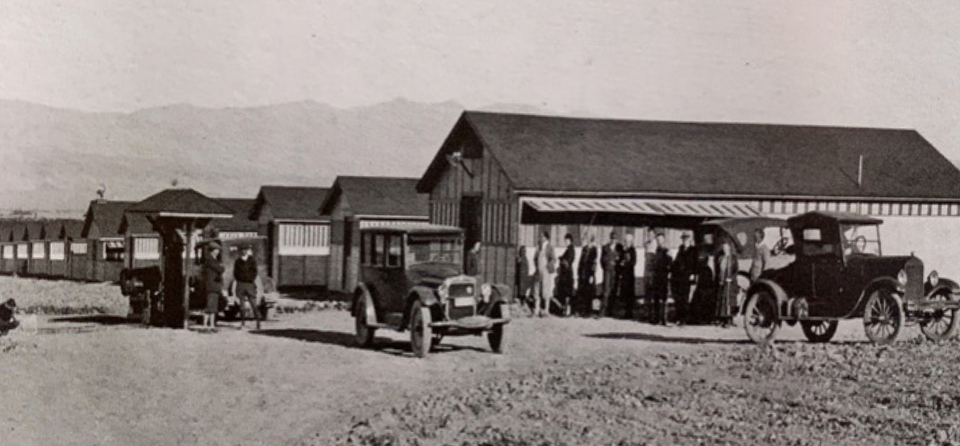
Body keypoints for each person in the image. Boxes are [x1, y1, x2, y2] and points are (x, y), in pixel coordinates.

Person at [670, 232, 697, 325]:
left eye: (686, 239)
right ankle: (678, 316)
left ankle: (683, 319)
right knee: (678, 298)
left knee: (685, 298)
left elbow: (695, 263)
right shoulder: (681, 249)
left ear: (689, 240)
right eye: (683, 239)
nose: (684, 241)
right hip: (678, 277)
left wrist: (693, 274)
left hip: (687, 277)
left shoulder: (693, 250)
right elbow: (677, 262)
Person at [233, 244, 262, 330]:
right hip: (241, 284)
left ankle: (258, 323)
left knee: (253, 304)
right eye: (242, 250)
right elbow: (235, 273)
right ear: (240, 251)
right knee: (242, 306)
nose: (243, 251)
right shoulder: (237, 261)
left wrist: (250, 279)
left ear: (247, 251)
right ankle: (243, 323)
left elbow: (255, 272)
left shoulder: (252, 260)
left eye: (245, 250)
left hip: (250, 284)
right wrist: (240, 279)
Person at [715, 238, 739, 327]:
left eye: (726, 247)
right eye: (723, 247)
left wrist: (731, 278)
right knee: (722, 301)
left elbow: (735, 270)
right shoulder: (721, 258)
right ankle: (722, 319)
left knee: (730, 301)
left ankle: (730, 319)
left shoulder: (733, 258)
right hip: (722, 281)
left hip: (730, 282)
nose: (725, 249)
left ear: (729, 248)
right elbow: (718, 270)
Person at [201, 244, 225, 332]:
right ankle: (205, 326)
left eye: (218, 250)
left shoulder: (211, 259)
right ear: (212, 251)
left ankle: (211, 325)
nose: (217, 252)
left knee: (213, 307)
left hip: (214, 286)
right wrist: (221, 266)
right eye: (216, 250)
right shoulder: (211, 260)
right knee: (210, 307)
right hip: (212, 285)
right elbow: (220, 269)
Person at [649, 231, 671, 325]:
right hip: (656, 277)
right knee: (656, 298)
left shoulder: (667, 251)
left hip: (664, 277)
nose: (659, 241)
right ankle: (656, 318)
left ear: (664, 240)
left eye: (661, 239)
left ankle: (664, 319)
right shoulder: (656, 251)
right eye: (658, 240)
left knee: (664, 299)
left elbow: (670, 264)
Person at [533, 231, 556, 317]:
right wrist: (537, 267)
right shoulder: (538, 247)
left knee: (545, 291)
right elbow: (535, 258)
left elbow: (554, 259)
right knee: (536, 290)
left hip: (546, 271)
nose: (541, 239)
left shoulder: (550, 247)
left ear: (546, 238)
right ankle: (536, 310)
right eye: (541, 237)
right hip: (538, 271)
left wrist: (547, 267)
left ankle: (546, 310)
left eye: (543, 237)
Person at [599, 231, 621, 317]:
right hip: (607, 271)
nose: (613, 240)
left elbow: (621, 260)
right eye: (612, 238)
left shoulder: (619, 248)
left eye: (615, 239)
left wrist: (617, 265)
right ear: (610, 238)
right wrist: (606, 267)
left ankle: (611, 311)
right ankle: (602, 311)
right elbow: (602, 260)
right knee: (605, 291)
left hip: (615, 272)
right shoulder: (605, 248)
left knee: (613, 291)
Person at [577, 235, 599, 316]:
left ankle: (588, 311)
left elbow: (594, 263)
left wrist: (592, 275)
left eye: (591, 241)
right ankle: (581, 310)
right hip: (583, 273)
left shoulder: (594, 250)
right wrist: (579, 272)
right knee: (582, 292)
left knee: (589, 293)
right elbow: (581, 261)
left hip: (589, 274)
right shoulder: (584, 249)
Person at [619, 233, 638, 320]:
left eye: (628, 241)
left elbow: (633, 262)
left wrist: (625, 264)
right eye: (625, 241)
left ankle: (629, 313)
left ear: (631, 242)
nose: (626, 243)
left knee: (630, 295)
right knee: (624, 294)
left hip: (630, 275)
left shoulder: (633, 250)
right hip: (624, 275)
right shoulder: (623, 251)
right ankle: (625, 312)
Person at [556, 234, 576, 316]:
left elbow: (568, 261)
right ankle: (565, 309)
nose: (566, 242)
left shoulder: (571, 249)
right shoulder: (568, 249)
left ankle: (567, 310)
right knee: (565, 292)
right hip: (565, 274)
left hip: (567, 274)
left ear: (570, 241)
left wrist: (562, 259)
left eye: (567, 240)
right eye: (565, 240)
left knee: (567, 292)